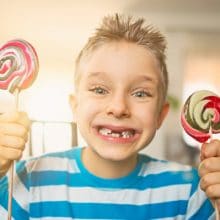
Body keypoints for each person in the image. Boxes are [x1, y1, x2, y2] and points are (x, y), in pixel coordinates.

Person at [0, 13, 220, 220]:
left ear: (160, 116)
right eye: (99, 89)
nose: (118, 107)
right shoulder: (26, 180)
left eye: (140, 93)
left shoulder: (191, 190)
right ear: (75, 107)